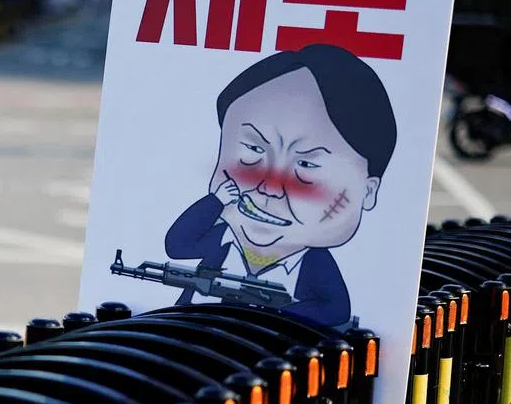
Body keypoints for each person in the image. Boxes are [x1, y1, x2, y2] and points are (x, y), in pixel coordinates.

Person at [162, 43, 398, 328]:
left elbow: (336, 309)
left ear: (368, 191)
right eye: (253, 150)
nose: (270, 187)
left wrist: (276, 318)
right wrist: (214, 202)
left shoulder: (311, 264)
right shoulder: (223, 241)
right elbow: (177, 245)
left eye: (307, 166)